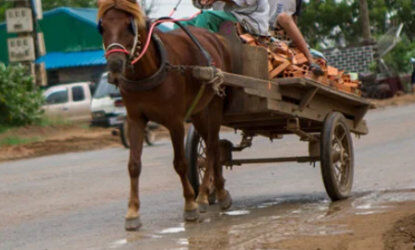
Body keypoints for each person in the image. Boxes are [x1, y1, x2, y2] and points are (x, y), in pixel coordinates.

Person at [270, 0, 323, 75]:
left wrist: (293, 37)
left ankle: (310, 61)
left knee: (284, 17)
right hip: (266, 31)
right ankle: (311, 60)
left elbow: (293, 21)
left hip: (283, 36)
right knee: (283, 17)